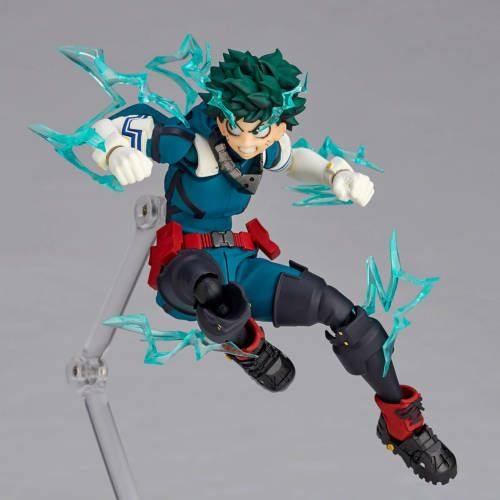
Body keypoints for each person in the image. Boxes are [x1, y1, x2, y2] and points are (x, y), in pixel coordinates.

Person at [91, 48, 456, 484]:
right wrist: (115, 151)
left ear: (279, 123)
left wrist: (335, 174)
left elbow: (295, 158)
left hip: (239, 260)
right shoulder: (193, 144)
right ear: (222, 114)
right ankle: (245, 343)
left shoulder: (266, 146)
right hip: (185, 264)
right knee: (212, 292)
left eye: (260, 131)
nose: (247, 141)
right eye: (236, 127)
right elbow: (113, 127)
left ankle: (402, 420)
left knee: (338, 309)